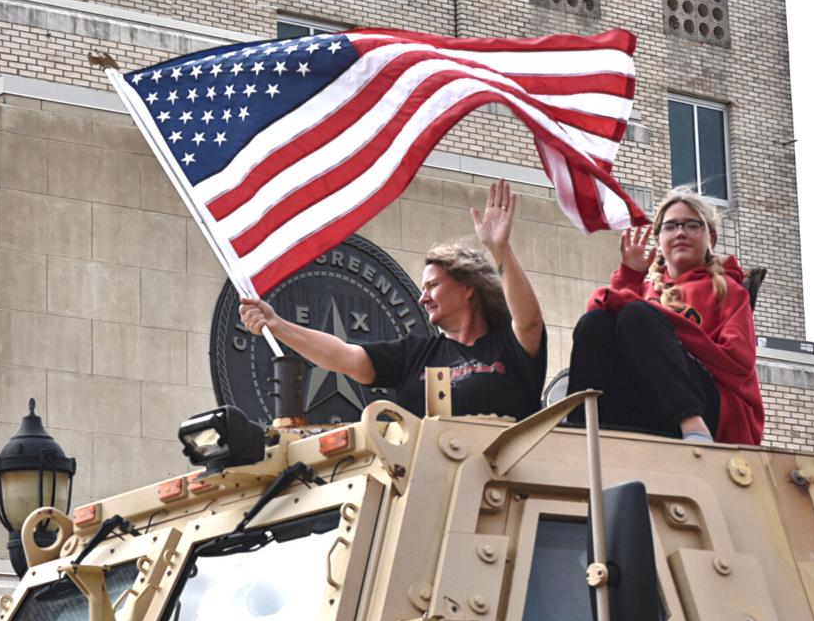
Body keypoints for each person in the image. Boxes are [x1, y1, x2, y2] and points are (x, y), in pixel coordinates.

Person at [240, 179, 547, 418]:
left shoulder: (509, 347)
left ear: (469, 288)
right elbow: (343, 356)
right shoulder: (414, 355)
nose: (422, 297)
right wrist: (276, 323)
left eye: (433, 285)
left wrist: (499, 249)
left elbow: (529, 321)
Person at [566, 187, 764, 445]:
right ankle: (581, 427)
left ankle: (692, 424)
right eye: (670, 227)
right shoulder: (644, 293)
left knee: (637, 315)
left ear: (710, 239)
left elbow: (738, 362)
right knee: (596, 322)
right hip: (649, 404)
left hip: (712, 411)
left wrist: (670, 332)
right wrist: (629, 278)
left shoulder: (729, 290)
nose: (680, 232)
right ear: (659, 240)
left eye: (691, 225)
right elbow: (600, 327)